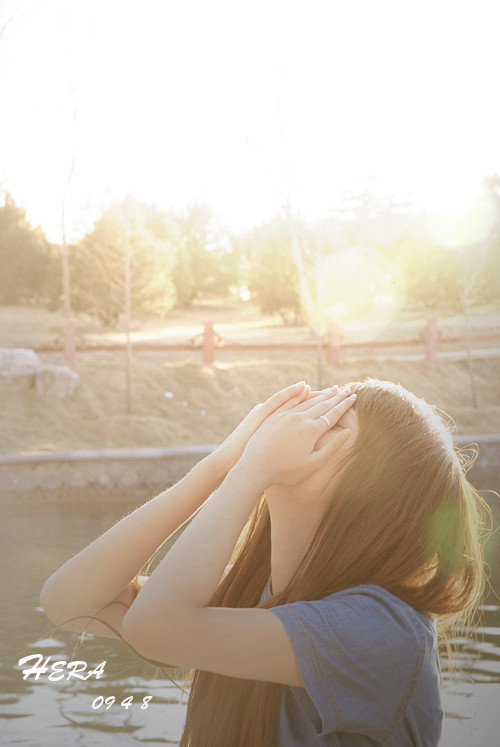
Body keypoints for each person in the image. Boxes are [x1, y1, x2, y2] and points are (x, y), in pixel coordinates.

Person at [40, 379, 489, 746]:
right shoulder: (248, 596)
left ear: (371, 490)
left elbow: (155, 629)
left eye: (330, 419)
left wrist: (251, 472)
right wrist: (220, 465)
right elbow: (68, 601)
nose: (296, 425)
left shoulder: (383, 632)